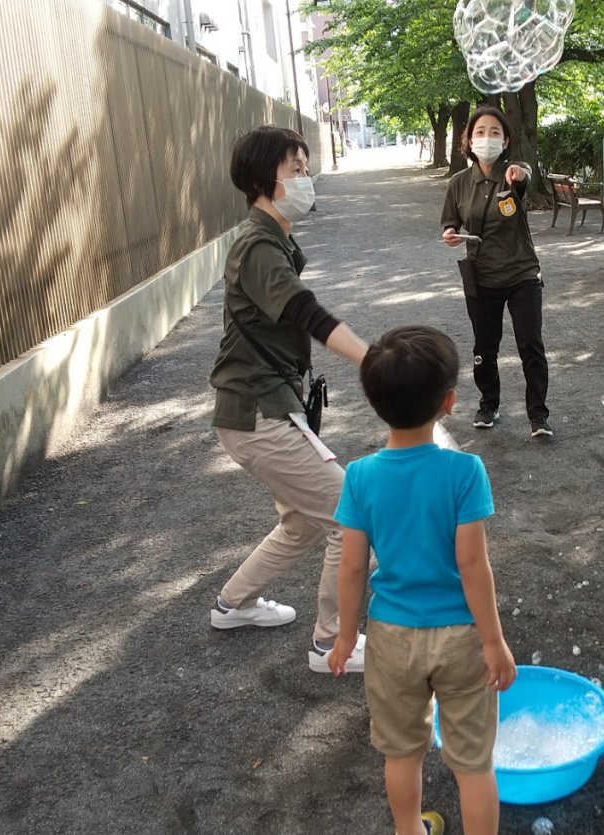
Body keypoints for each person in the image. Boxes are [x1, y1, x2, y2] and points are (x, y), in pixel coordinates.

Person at [328, 325, 517, 835]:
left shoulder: (360, 476)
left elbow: (350, 568)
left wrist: (347, 636)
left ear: (373, 402)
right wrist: (495, 642)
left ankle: (409, 831)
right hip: (461, 637)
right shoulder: (464, 471)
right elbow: (473, 566)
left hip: (390, 637)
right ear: (450, 401)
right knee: (474, 763)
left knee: (402, 753)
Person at [208, 124, 369, 675]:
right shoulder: (258, 245)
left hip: (260, 408)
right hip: (259, 413)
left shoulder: (274, 239)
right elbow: (305, 312)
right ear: (262, 181)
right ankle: (331, 646)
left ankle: (234, 603)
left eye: (305, 168)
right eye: (294, 170)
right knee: (353, 519)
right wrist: (373, 359)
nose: (305, 179)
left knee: (303, 523)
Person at [440, 105, 554, 439]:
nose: (486, 138)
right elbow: (450, 221)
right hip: (482, 278)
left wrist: (520, 176)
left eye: (494, 133)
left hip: (522, 275)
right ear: (469, 140)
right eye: (480, 132)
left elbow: (525, 177)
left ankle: (539, 415)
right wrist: (450, 233)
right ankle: (489, 404)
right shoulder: (459, 183)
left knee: (530, 345)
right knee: (484, 348)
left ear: (505, 141)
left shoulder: (513, 173)